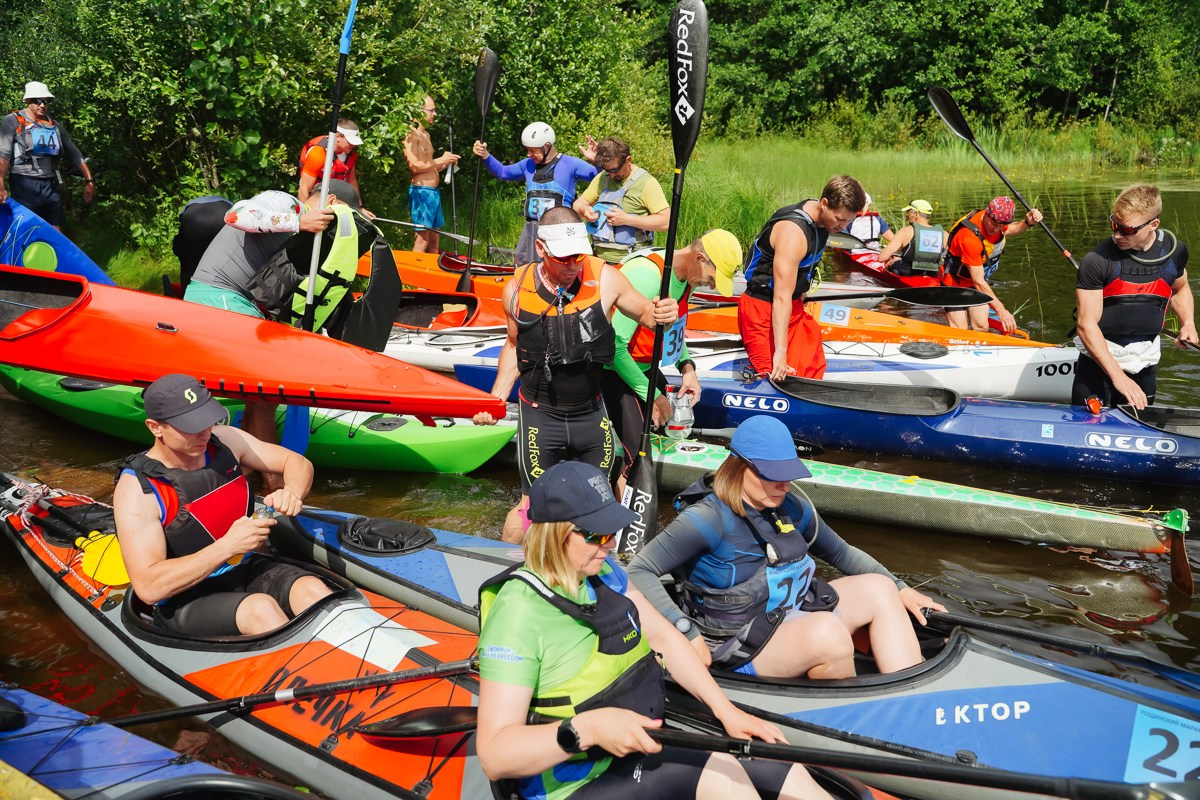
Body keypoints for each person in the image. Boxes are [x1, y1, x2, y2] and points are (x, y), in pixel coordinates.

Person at [476, 460, 835, 800]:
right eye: (596, 535)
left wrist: (727, 712)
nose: (611, 544)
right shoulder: (518, 613)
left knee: (773, 758)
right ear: (555, 535)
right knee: (720, 774)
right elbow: (494, 755)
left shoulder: (604, 573)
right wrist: (588, 729)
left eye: (611, 532)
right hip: (573, 780)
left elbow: (664, 637)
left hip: (634, 747)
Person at [628, 415, 946, 680]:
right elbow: (639, 570)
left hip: (786, 617)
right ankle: (855, 718)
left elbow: (842, 553)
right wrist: (685, 632)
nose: (783, 485)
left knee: (880, 587)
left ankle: (911, 692)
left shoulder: (789, 506)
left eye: (788, 474)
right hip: (736, 644)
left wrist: (901, 587)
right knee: (829, 633)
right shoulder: (706, 519)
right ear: (739, 467)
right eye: (773, 476)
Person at [471, 206, 678, 543]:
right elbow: (512, 347)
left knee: (599, 508)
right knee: (531, 512)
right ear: (541, 249)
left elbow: (646, 313)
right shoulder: (516, 288)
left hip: (590, 416)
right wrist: (495, 398)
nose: (573, 265)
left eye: (579, 256)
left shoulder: (606, 278)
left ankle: (601, 580)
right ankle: (512, 576)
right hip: (540, 419)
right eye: (563, 258)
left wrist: (663, 312)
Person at [112, 373, 332, 637]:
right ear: (155, 427)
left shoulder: (226, 440)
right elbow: (149, 587)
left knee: (312, 590)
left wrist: (292, 492)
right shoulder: (137, 490)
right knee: (261, 609)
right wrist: (228, 545)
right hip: (186, 598)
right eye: (190, 426)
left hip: (245, 568)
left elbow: (297, 463)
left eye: (207, 421)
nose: (204, 433)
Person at [182, 184, 368, 478]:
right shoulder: (284, 203)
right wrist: (299, 222)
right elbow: (236, 214)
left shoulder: (308, 232)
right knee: (264, 396)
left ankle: (244, 475)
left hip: (240, 306)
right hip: (218, 299)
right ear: (330, 202)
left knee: (261, 399)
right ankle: (275, 485)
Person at [601, 230, 742, 484]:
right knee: (638, 457)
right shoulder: (648, 276)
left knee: (668, 433)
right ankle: (622, 518)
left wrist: (687, 368)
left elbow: (673, 331)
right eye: (712, 278)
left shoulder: (686, 279)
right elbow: (615, 345)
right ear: (699, 258)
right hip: (612, 371)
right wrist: (652, 395)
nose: (711, 285)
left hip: (643, 368)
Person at [1073, 184, 1196, 410]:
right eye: (1114, 225)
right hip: (1097, 365)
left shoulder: (1175, 252)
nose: (1117, 234)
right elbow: (1085, 325)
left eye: (1127, 230)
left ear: (1153, 225)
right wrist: (1119, 378)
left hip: (1145, 362)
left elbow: (1180, 289)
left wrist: (1187, 323)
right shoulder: (1097, 260)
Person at [738, 175, 865, 381]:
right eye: (840, 219)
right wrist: (780, 353)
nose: (843, 226)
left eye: (849, 220)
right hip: (763, 310)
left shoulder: (823, 221)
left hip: (793, 306)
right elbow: (780, 297)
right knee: (778, 377)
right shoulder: (792, 233)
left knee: (812, 368)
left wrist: (801, 288)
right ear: (824, 204)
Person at [472, 122, 598, 266]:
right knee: (524, 269)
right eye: (528, 150)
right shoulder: (527, 164)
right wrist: (485, 155)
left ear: (547, 146)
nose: (529, 154)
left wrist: (598, 161)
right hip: (531, 229)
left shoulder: (570, 164)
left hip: (559, 231)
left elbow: (598, 179)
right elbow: (503, 172)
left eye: (533, 150)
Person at [0, 81, 95, 229]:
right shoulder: (12, 120)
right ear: (27, 101)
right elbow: (3, 155)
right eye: (37, 101)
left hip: (50, 184)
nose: (43, 105)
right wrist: (0, 183)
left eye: (46, 101)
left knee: (56, 231)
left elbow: (75, 153)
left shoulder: (55, 125)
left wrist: (89, 181)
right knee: (29, 231)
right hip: (23, 183)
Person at [941, 196, 1042, 333]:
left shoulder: (998, 220)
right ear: (987, 214)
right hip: (954, 284)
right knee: (961, 331)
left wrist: (1027, 223)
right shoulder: (969, 238)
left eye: (1001, 225)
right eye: (995, 224)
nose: (997, 229)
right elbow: (978, 282)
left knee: (981, 327)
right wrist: (1001, 310)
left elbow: (1009, 230)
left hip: (975, 282)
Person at [572, 137, 670, 264]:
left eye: (614, 170)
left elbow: (667, 222)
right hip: (599, 260)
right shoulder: (603, 177)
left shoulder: (647, 183)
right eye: (606, 170)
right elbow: (577, 205)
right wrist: (584, 210)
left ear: (628, 160)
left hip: (632, 263)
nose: (611, 175)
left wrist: (627, 219)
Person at [404, 96, 459, 254]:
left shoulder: (426, 135)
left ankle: (432, 275)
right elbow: (414, 166)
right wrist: (440, 160)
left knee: (434, 240)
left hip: (433, 193)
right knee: (422, 241)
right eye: (431, 110)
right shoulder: (410, 134)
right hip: (421, 192)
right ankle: (412, 278)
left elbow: (429, 167)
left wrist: (446, 162)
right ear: (419, 111)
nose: (435, 114)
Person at [298, 119, 373, 218]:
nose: (353, 145)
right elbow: (303, 189)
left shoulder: (350, 154)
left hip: (334, 198)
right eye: (350, 142)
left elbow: (351, 179)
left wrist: (359, 208)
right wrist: (306, 216)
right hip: (314, 198)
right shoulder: (318, 153)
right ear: (337, 137)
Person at [877, 199, 947, 277]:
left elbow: (882, 258)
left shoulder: (905, 232)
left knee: (893, 261)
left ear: (916, 214)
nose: (908, 216)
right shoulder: (944, 234)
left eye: (909, 212)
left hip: (907, 274)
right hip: (933, 275)